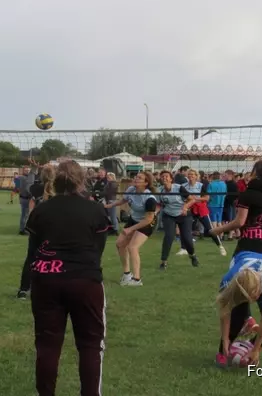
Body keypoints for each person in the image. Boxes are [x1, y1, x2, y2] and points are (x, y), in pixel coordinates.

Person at [24, 160, 109, 396]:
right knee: (91, 345)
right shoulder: (94, 209)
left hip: (46, 280)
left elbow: (34, 250)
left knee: (47, 345)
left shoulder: (41, 209)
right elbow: (98, 248)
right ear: (82, 180)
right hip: (84, 280)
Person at [214, 251, 262, 368]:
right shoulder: (227, 281)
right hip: (242, 258)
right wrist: (225, 339)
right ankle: (223, 351)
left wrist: (256, 348)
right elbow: (225, 311)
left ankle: (250, 346)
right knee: (236, 320)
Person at [212, 160, 262, 258]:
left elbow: (239, 222)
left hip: (250, 243)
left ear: (256, 174)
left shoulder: (247, 194)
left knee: (240, 271)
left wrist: (217, 230)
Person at [106, 171, 158, 286]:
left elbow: (148, 219)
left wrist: (131, 229)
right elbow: (123, 200)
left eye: (139, 178)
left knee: (132, 247)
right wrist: (109, 205)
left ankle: (137, 280)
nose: (136, 179)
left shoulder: (150, 198)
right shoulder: (131, 190)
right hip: (134, 219)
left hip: (147, 222)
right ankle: (126, 274)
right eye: (136, 177)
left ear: (146, 183)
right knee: (120, 244)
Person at [16, 165, 56, 299]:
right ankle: (48, 289)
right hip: (53, 227)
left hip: (37, 227)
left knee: (31, 258)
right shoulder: (58, 190)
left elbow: (31, 207)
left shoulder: (35, 188)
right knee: (54, 258)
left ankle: (24, 289)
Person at [158, 170, 198, 270]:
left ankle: (192, 256)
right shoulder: (160, 190)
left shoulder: (178, 188)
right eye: (162, 176)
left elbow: (192, 199)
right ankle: (164, 262)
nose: (164, 178)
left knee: (187, 238)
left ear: (171, 179)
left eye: (166, 176)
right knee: (169, 237)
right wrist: (154, 213)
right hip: (169, 215)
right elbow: (159, 205)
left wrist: (185, 207)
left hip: (183, 215)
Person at [183, 169, 227, 257]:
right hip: (189, 209)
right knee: (186, 229)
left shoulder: (201, 185)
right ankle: (184, 249)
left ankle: (220, 246)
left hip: (201, 209)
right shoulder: (183, 186)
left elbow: (207, 198)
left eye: (192, 174)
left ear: (196, 176)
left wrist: (195, 199)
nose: (191, 176)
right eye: (189, 174)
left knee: (211, 230)